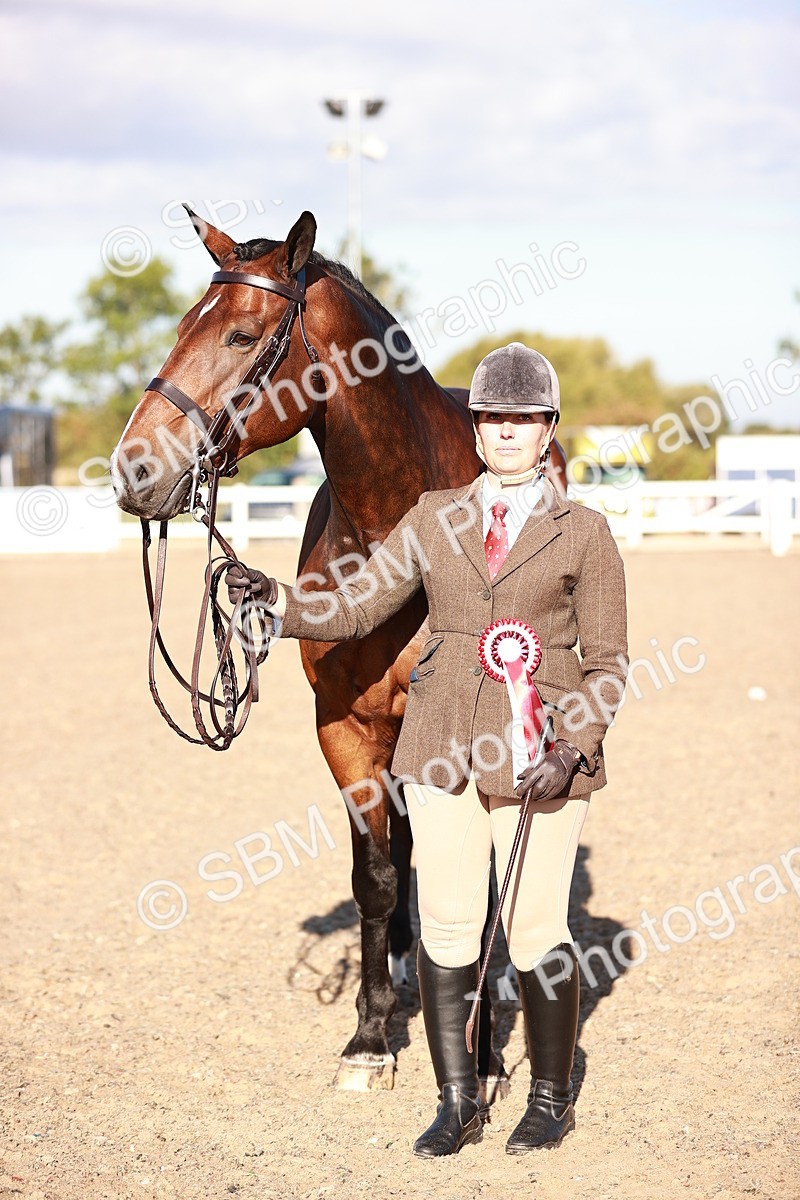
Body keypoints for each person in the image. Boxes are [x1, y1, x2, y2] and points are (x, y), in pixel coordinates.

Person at [226, 342, 628, 1157]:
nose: (507, 432)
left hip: (538, 748)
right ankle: (457, 1102)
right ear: (474, 429)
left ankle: (549, 1099)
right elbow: (358, 605)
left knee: (536, 928)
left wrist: (575, 747)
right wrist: (275, 600)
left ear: (548, 429)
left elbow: (610, 661)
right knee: (446, 926)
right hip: (440, 745)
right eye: (492, 418)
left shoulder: (585, 532)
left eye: (523, 418)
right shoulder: (434, 517)